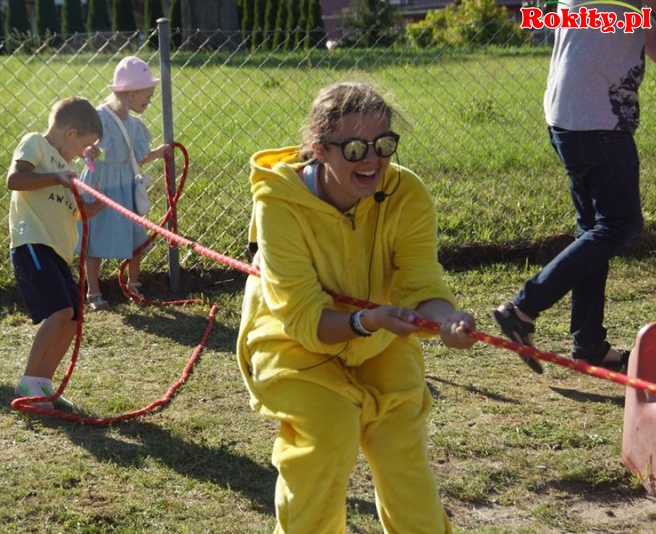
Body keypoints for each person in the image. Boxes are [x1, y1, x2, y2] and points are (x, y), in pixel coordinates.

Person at [236, 81, 476, 533]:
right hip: (290, 338)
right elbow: (304, 318)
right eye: (353, 148)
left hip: (380, 335)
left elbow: (420, 279)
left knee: (399, 440)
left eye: (383, 144)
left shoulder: (407, 193)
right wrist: (366, 321)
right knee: (328, 435)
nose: (371, 160)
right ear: (319, 150)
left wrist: (447, 319)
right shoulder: (278, 202)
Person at [493, 0, 656, 374]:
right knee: (620, 224)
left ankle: (589, 345)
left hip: (570, 115)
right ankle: (523, 308)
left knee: (596, 229)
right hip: (595, 117)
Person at [7, 96, 104, 410]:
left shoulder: (68, 168)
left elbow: (72, 211)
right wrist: (57, 177)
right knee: (60, 312)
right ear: (69, 134)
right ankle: (28, 381)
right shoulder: (35, 143)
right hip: (33, 243)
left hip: (59, 252)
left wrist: (89, 208)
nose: (83, 152)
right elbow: (15, 180)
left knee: (74, 317)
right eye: (83, 145)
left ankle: (43, 384)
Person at [79, 56, 170, 310]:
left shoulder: (133, 124)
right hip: (101, 184)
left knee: (134, 233)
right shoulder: (99, 117)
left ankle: (133, 284)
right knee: (95, 235)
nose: (148, 102)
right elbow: (83, 146)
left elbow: (136, 158)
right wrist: (88, 151)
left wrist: (157, 153)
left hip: (125, 184)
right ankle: (93, 291)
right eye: (146, 97)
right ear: (130, 94)